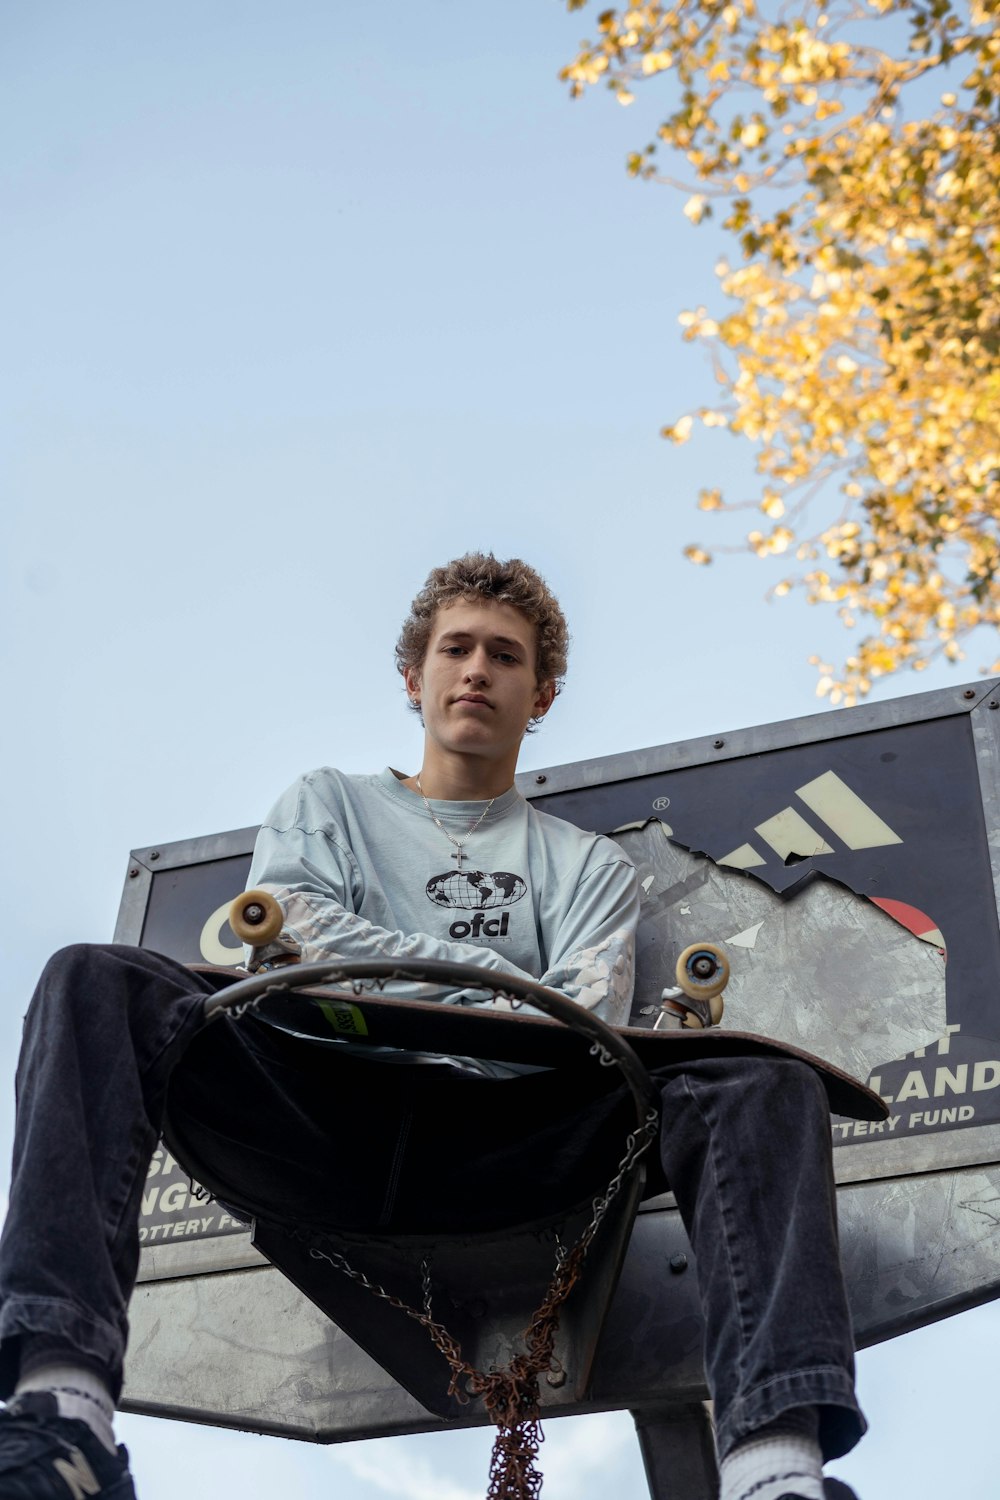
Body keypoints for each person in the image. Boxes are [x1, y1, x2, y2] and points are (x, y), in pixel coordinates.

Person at [0, 554, 864, 1500]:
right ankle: (64, 1413)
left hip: (509, 1145)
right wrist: (494, 978)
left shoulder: (585, 868)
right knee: (92, 975)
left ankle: (774, 1470)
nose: (477, 670)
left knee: (759, 1080)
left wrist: (423, 993)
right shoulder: (326, 803)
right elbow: (297, 924)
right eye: (456, 649)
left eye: (506, 655)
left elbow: (577, 1029)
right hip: (320, 1119)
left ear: (541, 696)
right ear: (415, 679)